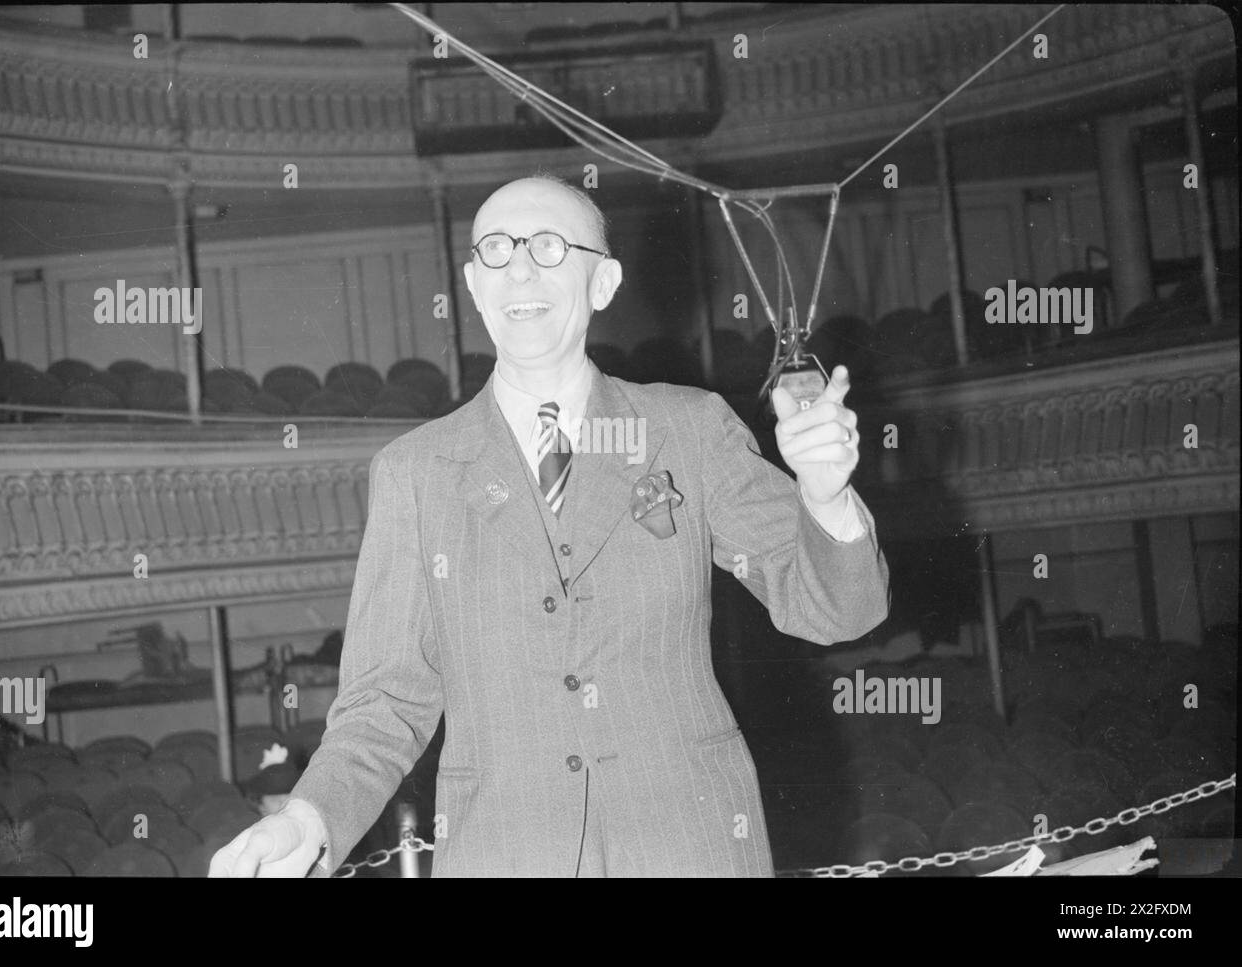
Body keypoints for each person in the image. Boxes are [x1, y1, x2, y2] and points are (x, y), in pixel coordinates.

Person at [210, 173, 889, 877]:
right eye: (497, 250)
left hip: (692, 844)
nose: (521, 268)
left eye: (549, 246)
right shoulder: (414, 472)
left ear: (605, 282)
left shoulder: (690, 428)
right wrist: (307, 816)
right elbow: (385, 701)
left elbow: (838, 611)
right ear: (473, 286)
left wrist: (825, 495)